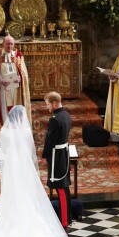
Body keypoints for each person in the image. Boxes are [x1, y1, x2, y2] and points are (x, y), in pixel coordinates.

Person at [0, 105, 88, 237]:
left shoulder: (5, 131)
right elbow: (30, 152)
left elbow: (4, 151)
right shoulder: (25, 131)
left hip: (10, 168)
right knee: (27, 195)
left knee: (11, 195)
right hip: (24, 166)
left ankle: (11, 225)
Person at [0, 35, 31, 143]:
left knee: (15, 109)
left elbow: (23, 73)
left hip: (15, 89)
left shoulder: (18, 55)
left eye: (11, 44)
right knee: (4, 109)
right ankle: (5, 134)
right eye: (7, 43)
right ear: (3, 44)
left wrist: (20, 78)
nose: (9, 46)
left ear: (14, 45)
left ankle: (16, 133)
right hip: (2, 88)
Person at [42, 92, 72, 228]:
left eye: (48, 104)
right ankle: (67, 217)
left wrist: (44, 154)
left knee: (60, 187)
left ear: (54, 103)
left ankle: (64, 221)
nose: (47, 107)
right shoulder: (65, 115)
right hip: (64, 153)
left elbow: (50, 141)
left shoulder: (55, 119)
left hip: (57, 156)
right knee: (64, 187)